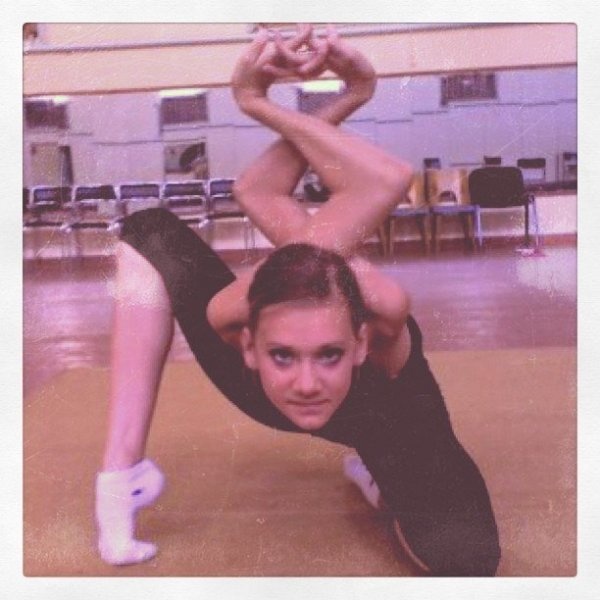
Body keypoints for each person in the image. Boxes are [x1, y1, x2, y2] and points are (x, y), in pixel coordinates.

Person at [95, 25, 501, 576]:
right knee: (148, 231)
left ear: (360, 342)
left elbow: (368, 180)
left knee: (466, 559)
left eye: (329, 353)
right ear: (248, 343)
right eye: (284, 352)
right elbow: (285, 189)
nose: (306, 383)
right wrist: (349, 93)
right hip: (260, 386)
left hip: (393, 425)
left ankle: (377, 476)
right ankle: (120, 480)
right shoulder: (234, 312)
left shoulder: (382, 309)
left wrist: (257, 100)